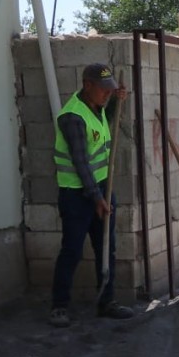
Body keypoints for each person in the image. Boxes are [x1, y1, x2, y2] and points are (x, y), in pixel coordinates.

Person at [49, 63, 135, 328]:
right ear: (87, 86)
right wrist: (96, 198)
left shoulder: (95, 108)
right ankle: (59, 306)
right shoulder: (71, 117)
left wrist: (113, 103)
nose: (107, 94)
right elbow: (81, 162)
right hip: (77, 195)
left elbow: (101, 125)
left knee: (106, 249)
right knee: (72, 251)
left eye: (110, 91)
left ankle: (106, 302)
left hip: (102, 188)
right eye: (103, 91)